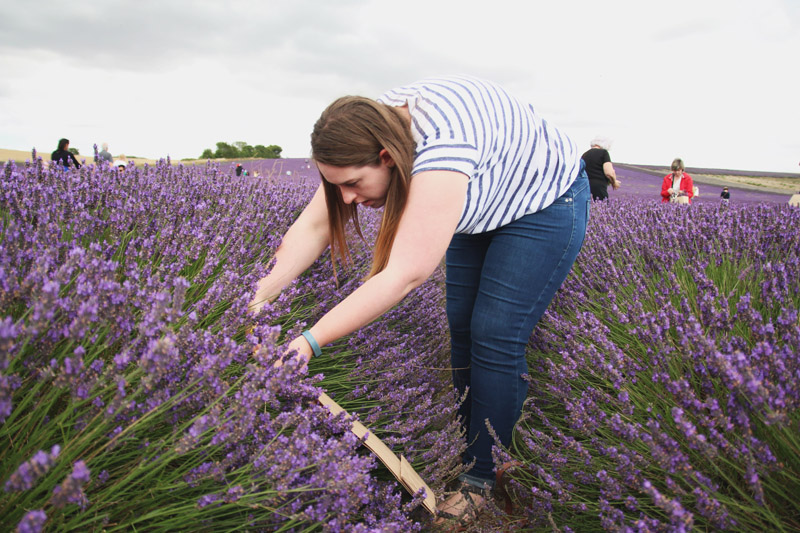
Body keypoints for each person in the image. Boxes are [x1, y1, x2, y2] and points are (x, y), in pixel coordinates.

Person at [247, 76, 590, 527]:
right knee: (461, 329)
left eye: (353, 183)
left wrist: (307, 343)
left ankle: (485, 481)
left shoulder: (444, 146)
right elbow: (313, 229)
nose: (348, 198)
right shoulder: (364, 131)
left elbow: (406, 273)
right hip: (480, 204)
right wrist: (251, 305)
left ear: (388, 158)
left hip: (544, 204)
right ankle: (474, 449)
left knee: (495, 332)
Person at [581, 136, 620, 200]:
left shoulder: (584, 154)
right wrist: (614, 182)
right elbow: (609, 172)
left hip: (584, 187)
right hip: (598, 188)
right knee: (601, 205)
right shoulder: (603, 153)